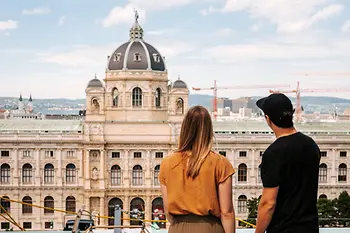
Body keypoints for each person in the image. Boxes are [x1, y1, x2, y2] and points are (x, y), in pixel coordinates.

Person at [159, 106, 236, 233]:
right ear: (208, 130)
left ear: (184, 129)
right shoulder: (221, 163)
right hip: (210, 228)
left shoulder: (167, 164)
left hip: (178, 227)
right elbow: (227, 212)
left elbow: (167, 210)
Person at [255, 93, 321, 233]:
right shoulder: (311, 145)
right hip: (310, 228)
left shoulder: (273, 153)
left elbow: (268, 203)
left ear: (268, 119)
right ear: (291, 114)